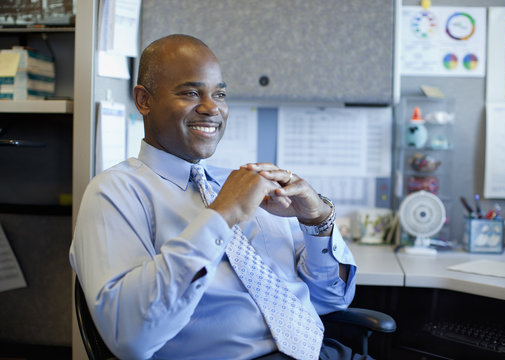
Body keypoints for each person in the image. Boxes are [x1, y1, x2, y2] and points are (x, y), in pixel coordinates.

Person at [70, 34, 357, 360]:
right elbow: (131, 337)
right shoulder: (115, 193)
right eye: (191, 93)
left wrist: (317, 219)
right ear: (144, 100)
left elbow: (331, 298)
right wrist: (221, 216)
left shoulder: (245, 183)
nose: (211, 108)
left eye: (219, 94)